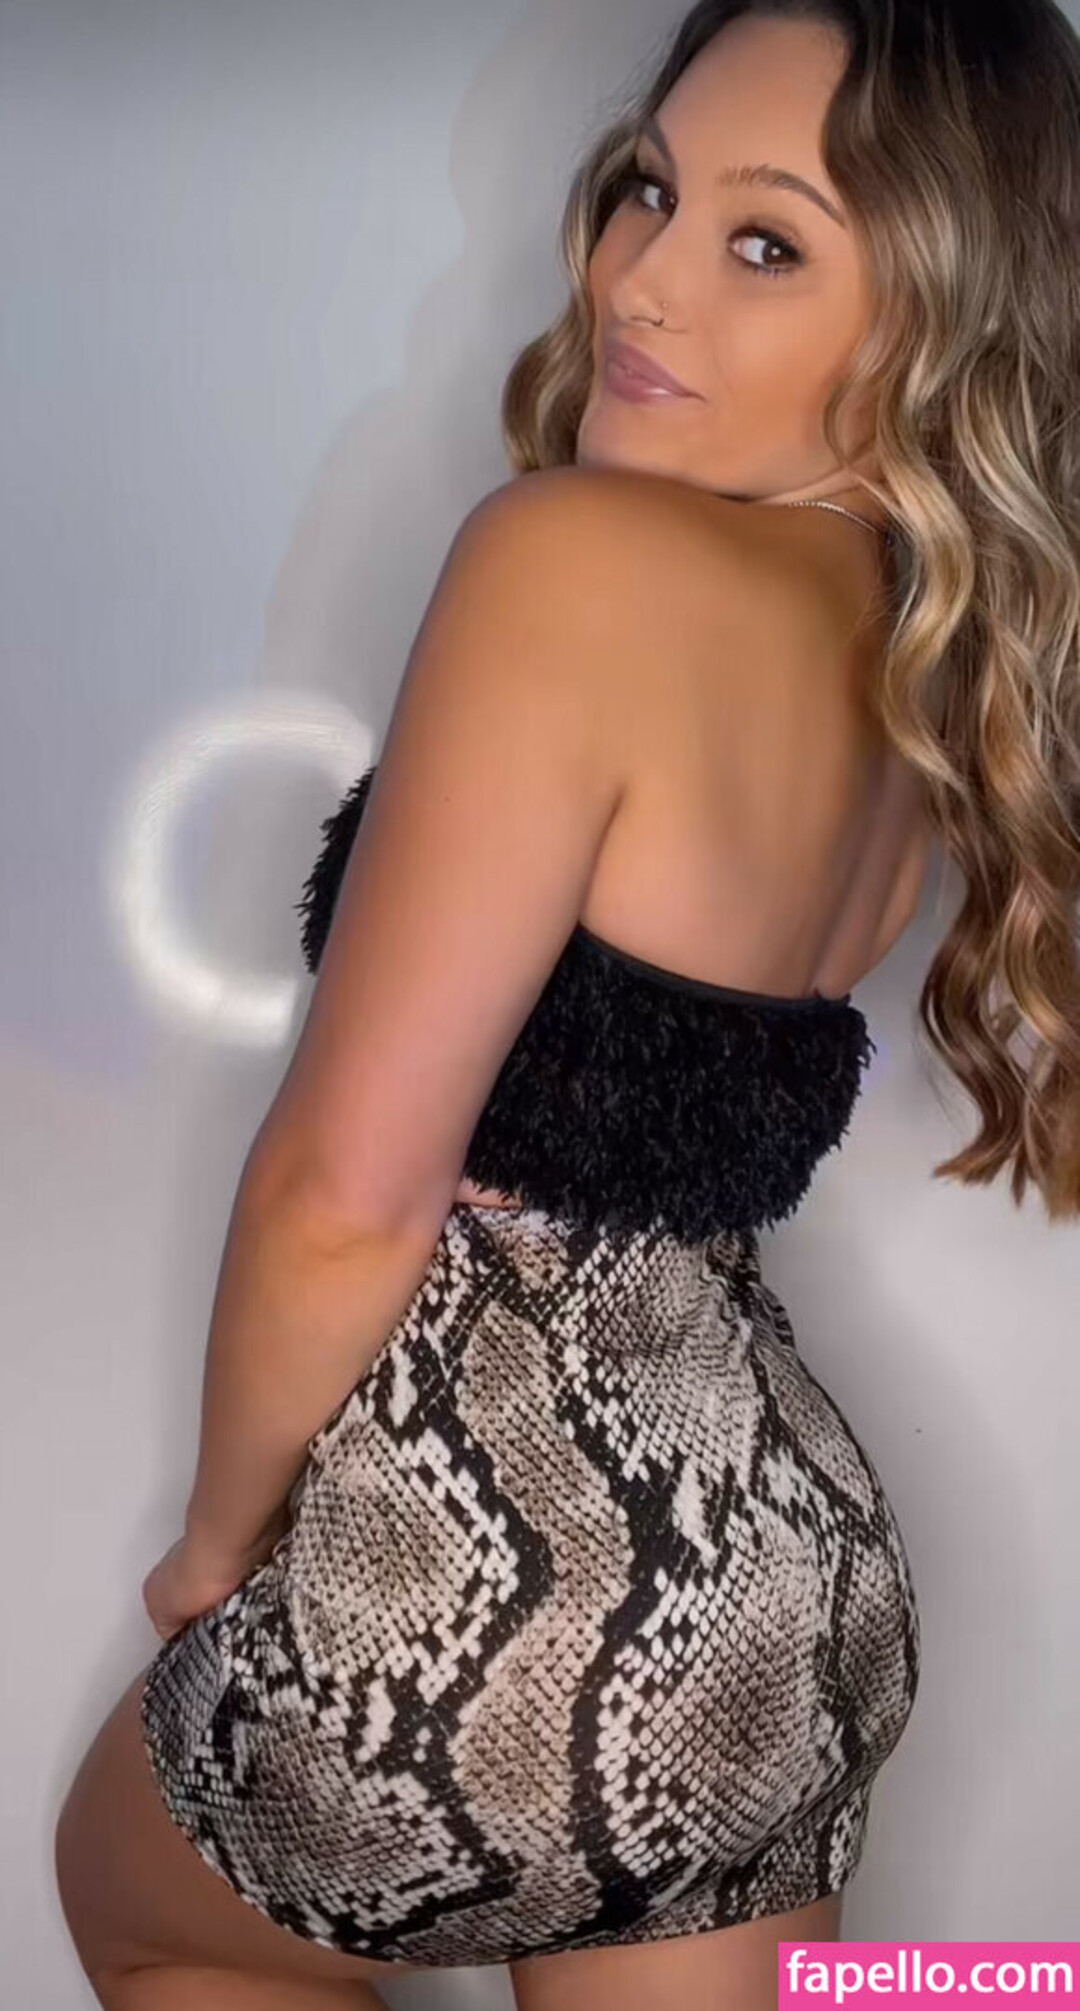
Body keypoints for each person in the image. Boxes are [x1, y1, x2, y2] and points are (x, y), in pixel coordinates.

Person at [54, 0, 1080, 2005]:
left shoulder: (572, 563)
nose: (643, 281)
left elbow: (346, 1190)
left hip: (484, 1606)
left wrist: (219, 1544)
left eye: (766, 243)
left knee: (138, 1895)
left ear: (938, 322)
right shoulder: (915, 670)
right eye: (651, 192)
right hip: (786, 1606)